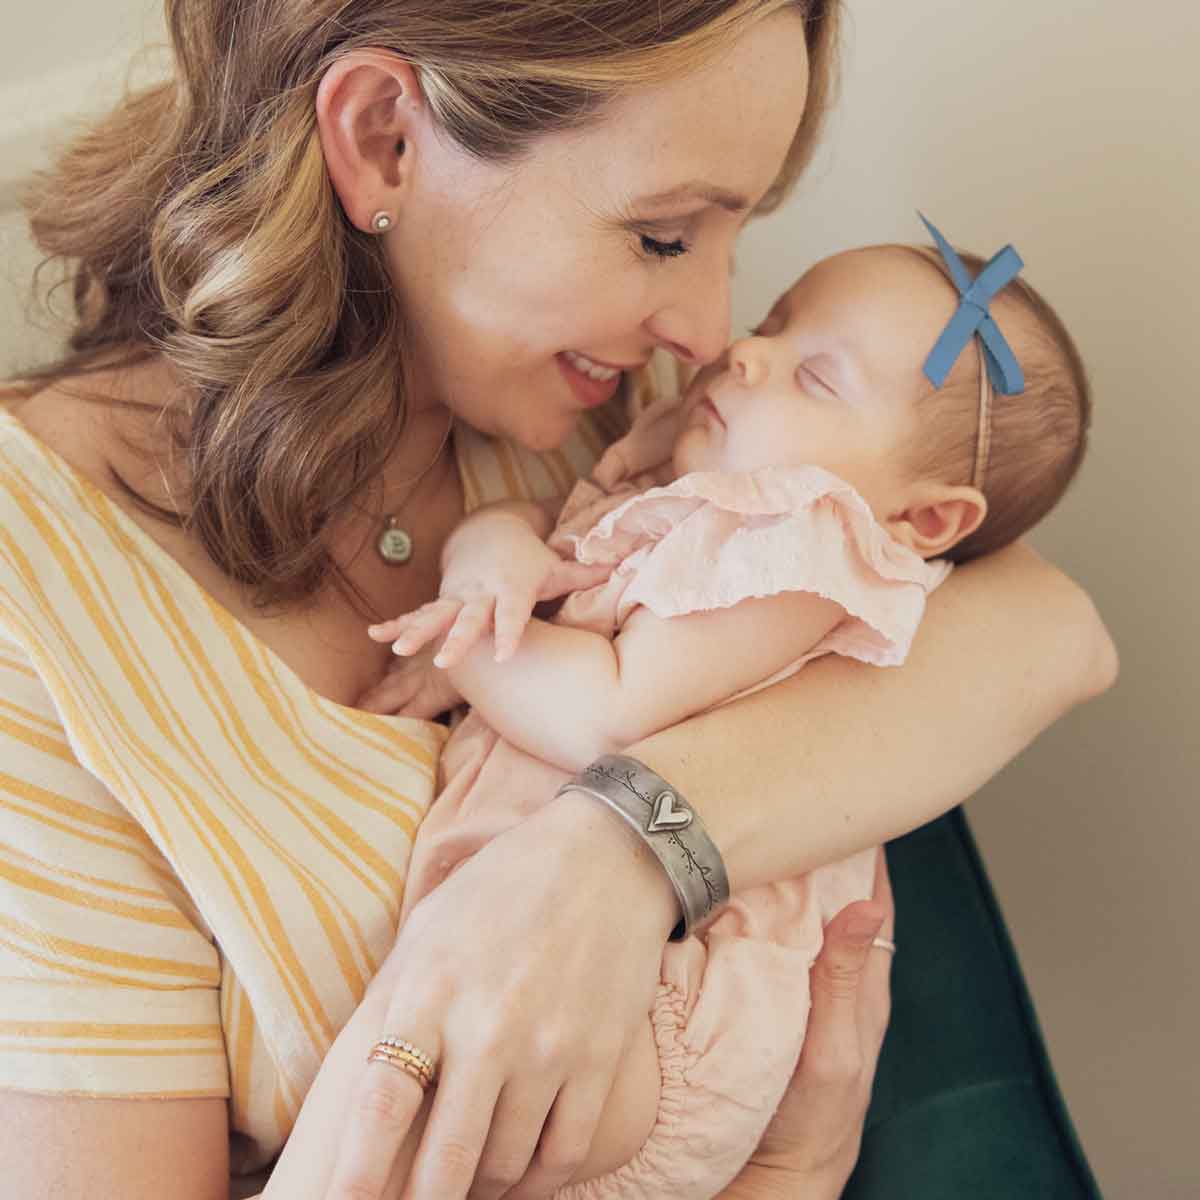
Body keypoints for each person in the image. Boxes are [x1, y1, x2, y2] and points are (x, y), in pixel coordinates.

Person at [0, 2, 1116, 1198]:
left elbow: (1052, 634)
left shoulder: (612, 433)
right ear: (384, 141)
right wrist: (783, 1179)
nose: (706, 335)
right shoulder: (35, 604)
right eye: (663, 236)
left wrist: (616, 855)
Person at [356, 228, 1089, 1197]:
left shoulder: (804, 550)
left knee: (420, 1145)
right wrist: (487, 562)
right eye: (777, 322)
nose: (747, 352)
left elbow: (609, 717)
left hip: (672, 1010)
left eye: (816, 379)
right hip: (595, 983)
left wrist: (474, 645)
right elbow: (553, 542)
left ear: (926, 522)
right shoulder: (677, 478)